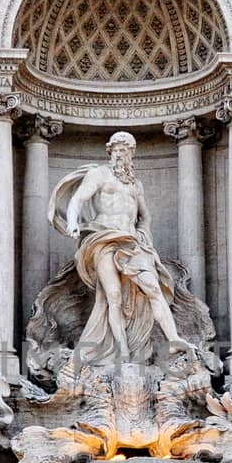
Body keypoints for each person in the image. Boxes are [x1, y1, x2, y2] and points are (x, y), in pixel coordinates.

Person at [47, 131, 186, 365]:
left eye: (126, 150)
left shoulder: (135, 184)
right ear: (110, 151)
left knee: (153, 288)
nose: (121, 154)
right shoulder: (98, 174)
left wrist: (144, 235)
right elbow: (78, 200)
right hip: (103, 238)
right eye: (117, 150)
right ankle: (122, 353)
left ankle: (173, 340)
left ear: (132, 154)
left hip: (131, 242)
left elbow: (145, 216)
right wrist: (72, 222)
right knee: (112, 295)